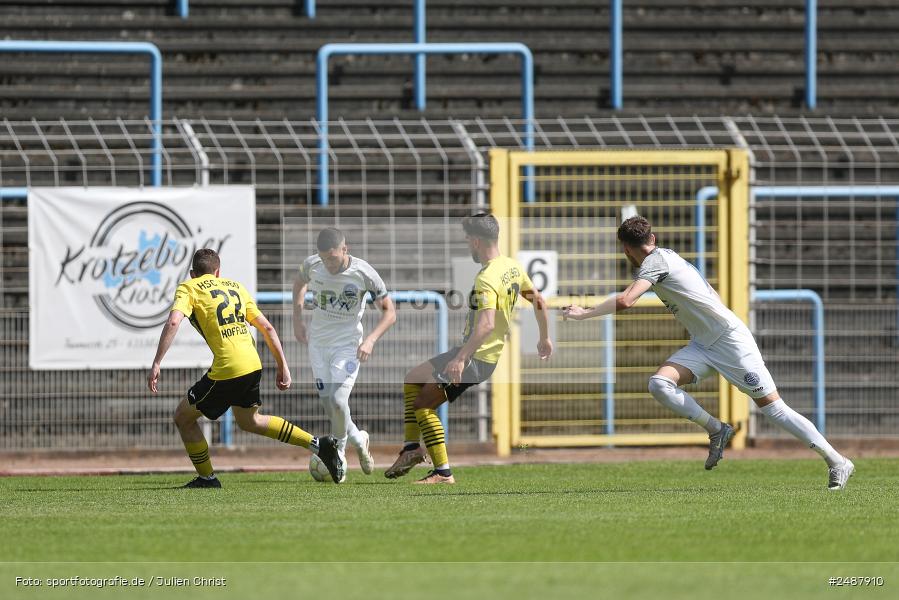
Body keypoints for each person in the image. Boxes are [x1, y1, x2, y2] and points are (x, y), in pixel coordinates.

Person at [562, 215, 854, 491]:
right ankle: (716, 429)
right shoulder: (668, 256)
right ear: (652, 236)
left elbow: (626, 301)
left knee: (774, 409)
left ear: (626, 249)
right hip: (703, 344)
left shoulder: (654, 262)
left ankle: (838, 461)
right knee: (659, 384)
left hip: (730, 342)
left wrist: (583, 313)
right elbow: (710, 292)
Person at [148, 248, 343, 487]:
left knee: (183, 418)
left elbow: (174, 320)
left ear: (192, 273)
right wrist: (283, 366)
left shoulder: (189, 288)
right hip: (253, 364)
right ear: (217, 272)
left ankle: (207, 478)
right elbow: (268, 328)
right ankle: (319, 444)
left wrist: (157, 362)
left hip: (229, 368)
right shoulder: (236, 288)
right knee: (250, 421)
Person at [385, 213, 553, 484]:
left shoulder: (487, 278)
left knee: (423, 406)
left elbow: (486, 325)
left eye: (467, 240)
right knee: (413, 379)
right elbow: (540, 302)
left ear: (476, 241)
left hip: (476, 357)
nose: (466, 245)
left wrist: (461, 359)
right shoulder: (511, 266)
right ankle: (411, 449)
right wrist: (545, 337)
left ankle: (443, 473)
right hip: (475, 352)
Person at [293, 228, 396, 482]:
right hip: (318, 344)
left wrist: (370, 340)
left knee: (338, 401)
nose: (329, 264)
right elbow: (299, 283)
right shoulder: (312, 265)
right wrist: (297, 318)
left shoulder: (363, 273)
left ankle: (337, 452)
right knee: (330, 404)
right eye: (324, 258)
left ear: (344, 250)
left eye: (333, 258)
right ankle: (359, 439)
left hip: (347, 345)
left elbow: (390, 313)